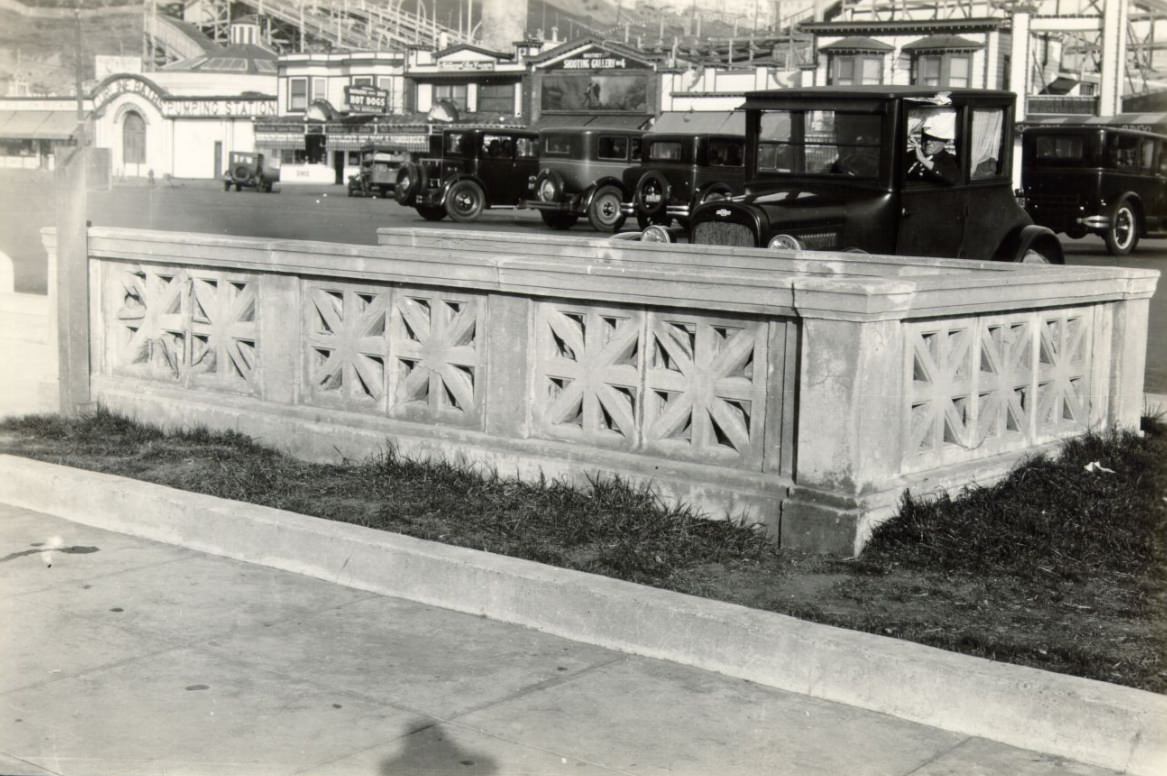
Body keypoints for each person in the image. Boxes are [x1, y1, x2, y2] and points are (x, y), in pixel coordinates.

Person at [907, 113, 958, 185]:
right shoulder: (911, 155)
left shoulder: (948, 160)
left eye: (934, 139)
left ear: (945, 141)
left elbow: (951, 178)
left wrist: (922, 159)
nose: (928, 141)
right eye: (926, 137)